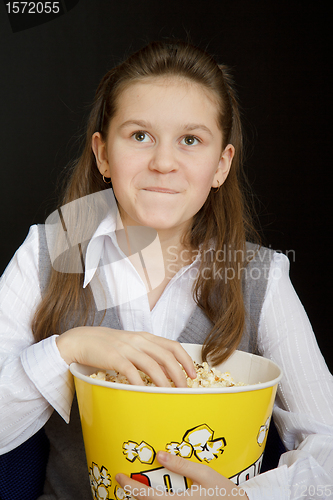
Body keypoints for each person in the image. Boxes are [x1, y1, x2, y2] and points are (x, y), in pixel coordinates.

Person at [0, 40, 332, 500]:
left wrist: (245, 497)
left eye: (190, 141)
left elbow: (328, 443)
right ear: (102, 155)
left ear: (220, 165)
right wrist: (67, 348)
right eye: (139, 136)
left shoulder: (262, 274)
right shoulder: (49, 247)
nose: (163, 162)